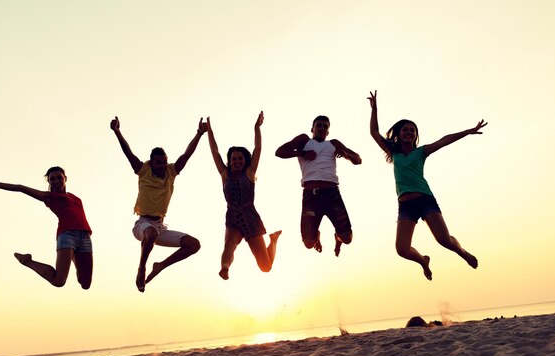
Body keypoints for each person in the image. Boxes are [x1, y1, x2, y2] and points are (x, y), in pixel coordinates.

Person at [367, 90, 487, 280]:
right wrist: (374, 109)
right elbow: (374, 133)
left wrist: (469, 131)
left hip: (425, 200)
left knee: (444, 240)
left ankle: (462, 252)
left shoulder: (421, 152)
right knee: (402, 249)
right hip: (405, 205)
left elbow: (445, 140)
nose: (408, 132)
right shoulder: (394, 153)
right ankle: (423, 261)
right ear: (398, 134)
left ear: (415, 136)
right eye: (405, 129)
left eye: (412, 130)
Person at [110, 116, 204, 292]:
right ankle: (141, 268)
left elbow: (187, 154)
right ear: (152, 163)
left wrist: (199, 133)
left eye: (164, 162)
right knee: (151, 233)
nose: (161, 165)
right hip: (143, 225)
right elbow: (127, 152)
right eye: (158, 162)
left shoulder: (171, 172)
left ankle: (160, 266)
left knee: (194, 244)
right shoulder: (142, 170)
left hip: (160, 227)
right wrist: (117, 132)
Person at [0, 167, 93, 289]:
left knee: (85, 284)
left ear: (65, 178)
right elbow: (20, 188)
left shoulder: (75, 198)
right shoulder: (49, 197)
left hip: (85, 237)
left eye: (59, 178)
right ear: (49, 182)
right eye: (52, 179)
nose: (56, 181)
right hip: (67, 236)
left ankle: (72, 255)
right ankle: (27, 261)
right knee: (59, 281)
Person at [206, 111, 281, 280]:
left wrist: (256, 127)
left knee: (265, 267)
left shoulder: (249, 172)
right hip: (232, 216)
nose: (237, 161)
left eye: (240, 158)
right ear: (229, 161)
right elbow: (214, 151)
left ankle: (274, 240)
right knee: (229, 245)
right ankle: (225, 268)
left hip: (250, 217)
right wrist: (209, 131)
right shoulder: (224, 174)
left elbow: (258, 148)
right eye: (234, 159)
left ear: (245, 160)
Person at [275, 115, 361, 256]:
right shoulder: (304, 140)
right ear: (312, 129)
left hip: (331, 193)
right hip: (311, 195)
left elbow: (358, 160)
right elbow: (279, 152)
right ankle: (316, 236)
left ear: (328, 132)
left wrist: (345, 154)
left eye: (325, 127)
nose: (321, 128)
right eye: (319, 125)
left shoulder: (333, 144)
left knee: (347, 238)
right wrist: (302, 153)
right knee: (309, 243)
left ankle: (337, 238)